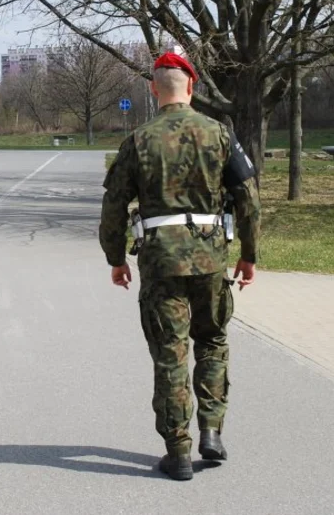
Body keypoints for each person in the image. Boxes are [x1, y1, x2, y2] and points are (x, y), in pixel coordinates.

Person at [98, 53, 261, 481]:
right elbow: (249, 198)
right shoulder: (220, 135)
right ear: (190, 86)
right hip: (210, 260)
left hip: (161, 263)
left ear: (155, 89)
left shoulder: (138, 140)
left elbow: (113, 207)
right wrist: (249, 254)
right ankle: (211, 429)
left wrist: (115, 259)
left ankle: (179, 450)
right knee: (212, 340)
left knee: (170, 354)